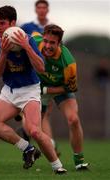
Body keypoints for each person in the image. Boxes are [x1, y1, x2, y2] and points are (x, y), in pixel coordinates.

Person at [0, 6, 66, 174]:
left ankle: (58, 167)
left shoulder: (27, 39)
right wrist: (4, 53)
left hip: (29, 90)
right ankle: (28, 149)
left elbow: (41, 67)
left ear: (13, 23)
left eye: (3, 23)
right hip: (9, 91)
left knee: (35, 131)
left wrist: (27, 47)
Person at [32, 24, 89, 170]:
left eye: (53, 43)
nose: (48, 46)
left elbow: (71, 87)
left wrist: (47, 89)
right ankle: (30, 148)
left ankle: (79, 161)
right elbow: (30, 35)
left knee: (73, 119)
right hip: (36, 89)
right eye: (46, 41)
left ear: (59, 44)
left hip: (59, 89)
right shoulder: (35, 41)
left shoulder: (68, 62)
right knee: (33, 128)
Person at [17, 0, 60, 155]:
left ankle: (50, 145)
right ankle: (40, 140)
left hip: (47, 75)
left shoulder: (53, 28)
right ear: (36, 10)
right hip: (31, 75)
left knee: (45, 113)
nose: (41, 10)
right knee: (29, 111)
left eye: (44, 7)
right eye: (39, 7)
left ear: (47, 10)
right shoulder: (27, 27)